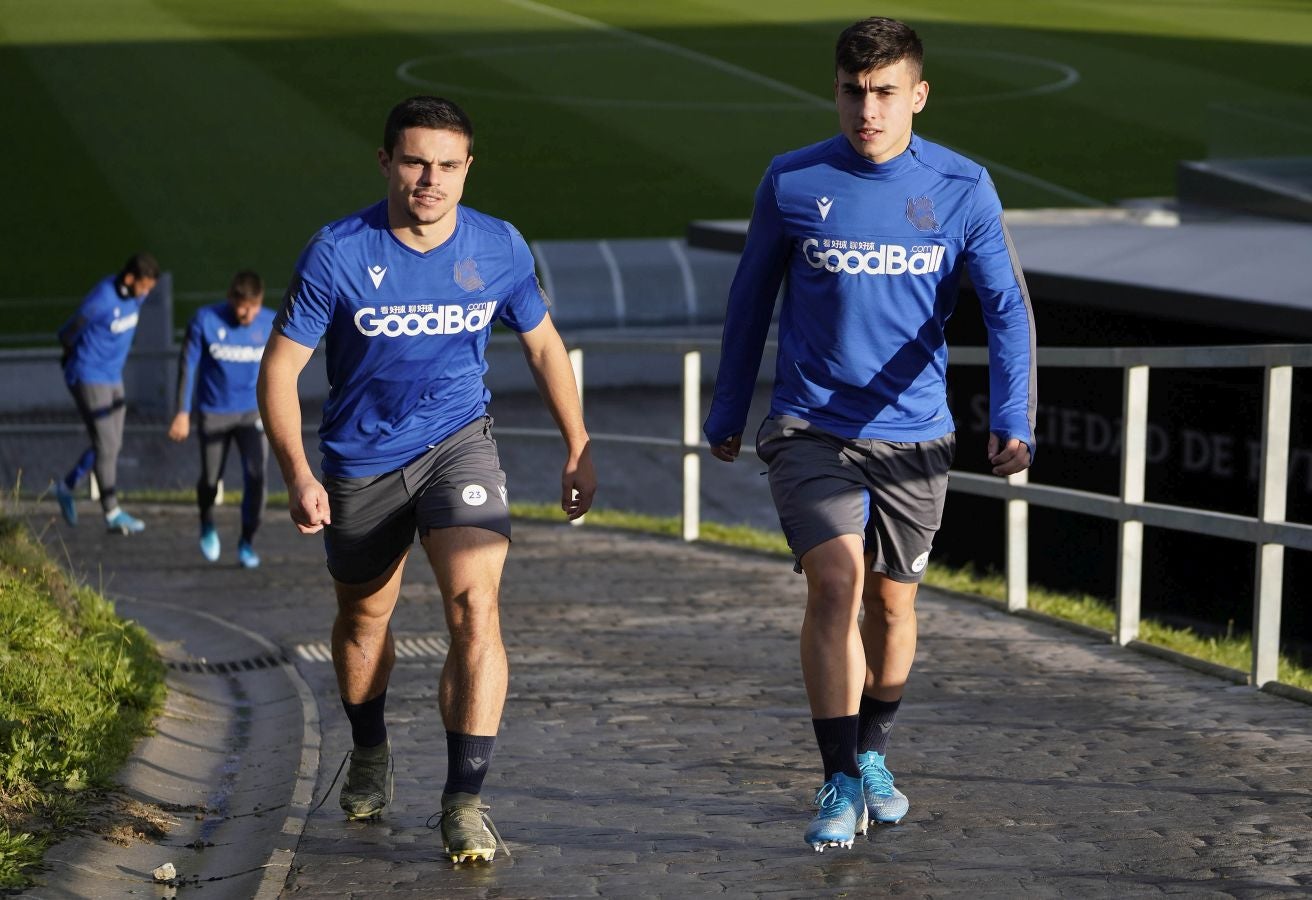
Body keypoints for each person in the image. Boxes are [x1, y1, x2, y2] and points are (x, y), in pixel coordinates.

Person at [703, 17, 1036, 852]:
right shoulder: (792, 179)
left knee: (893, 603)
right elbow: (750, 301)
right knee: (836, 581)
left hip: (916, 436)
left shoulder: (963, 186)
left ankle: (873, 751)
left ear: (918, 95)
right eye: (853, 92)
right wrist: (727, 410)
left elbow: (1007, 307)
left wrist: (1013, 417)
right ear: (837, 91)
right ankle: (839, 776)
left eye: (885, 92)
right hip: (810, 426)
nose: (868, 110)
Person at [258, 95, 596, 864]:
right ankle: (369, 748)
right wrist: (297, 472)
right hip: (361, 462)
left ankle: (463, 800)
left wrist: (579, 444)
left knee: (476, 607)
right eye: (414, 162)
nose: (429, 179)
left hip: (459, 444)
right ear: (386, 162)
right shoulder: (337, 252)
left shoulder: (499, 246)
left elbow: (544, 345)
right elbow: (279, 371)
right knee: (365, 622)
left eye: (447, 165)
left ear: (467, 168)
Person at [169, 270, 276, 569]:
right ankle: (206, 522)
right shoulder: (205, 320)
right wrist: (182, 412)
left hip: (251, 414)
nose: (247, 314)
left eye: (253, 307)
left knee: (257, 477)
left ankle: (247, 541)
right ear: (231, 299)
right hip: (214, 413)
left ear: (260, 302)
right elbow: (188, 365)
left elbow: (283, 366)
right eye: (242, 307)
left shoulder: (270, 323)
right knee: (210, 478)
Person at [55, 252, 161, 534]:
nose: (146, 293)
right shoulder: (102, 299)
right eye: (144, 286)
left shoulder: (136, 296)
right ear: (130, 278)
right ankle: (112, 512)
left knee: (111, 444)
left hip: (113, 376)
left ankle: (66, 487)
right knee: (107, 445)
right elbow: (67, 333)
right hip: (89, 375)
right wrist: (71, 360)